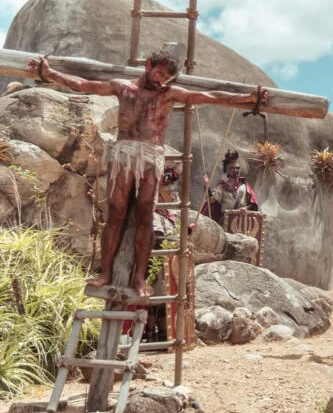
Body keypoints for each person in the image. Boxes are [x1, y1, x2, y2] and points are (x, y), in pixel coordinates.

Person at [28, 53, 266, 296]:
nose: (162, 80)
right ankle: (106, 273)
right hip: (124, 154)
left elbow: (209, 96)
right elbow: (82, 84)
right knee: (115, 215)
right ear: (149, 66)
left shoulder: (167, 94)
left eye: (167, 77)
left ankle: (139, 279)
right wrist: (48, 74)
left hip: (151, 157)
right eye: (160, 73)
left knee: (145, 216)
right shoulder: (122, 87)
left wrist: (247, 98)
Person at [201, 150, 259, 226]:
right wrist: (206, 186)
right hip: (226, 222)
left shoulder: (244, 185)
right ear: (227, 170)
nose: (235, 170)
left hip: (242, 222)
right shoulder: (222, 186)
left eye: (237, 168)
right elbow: (211, 200)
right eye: (232, 168)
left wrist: (246, 209)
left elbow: (253, 205)